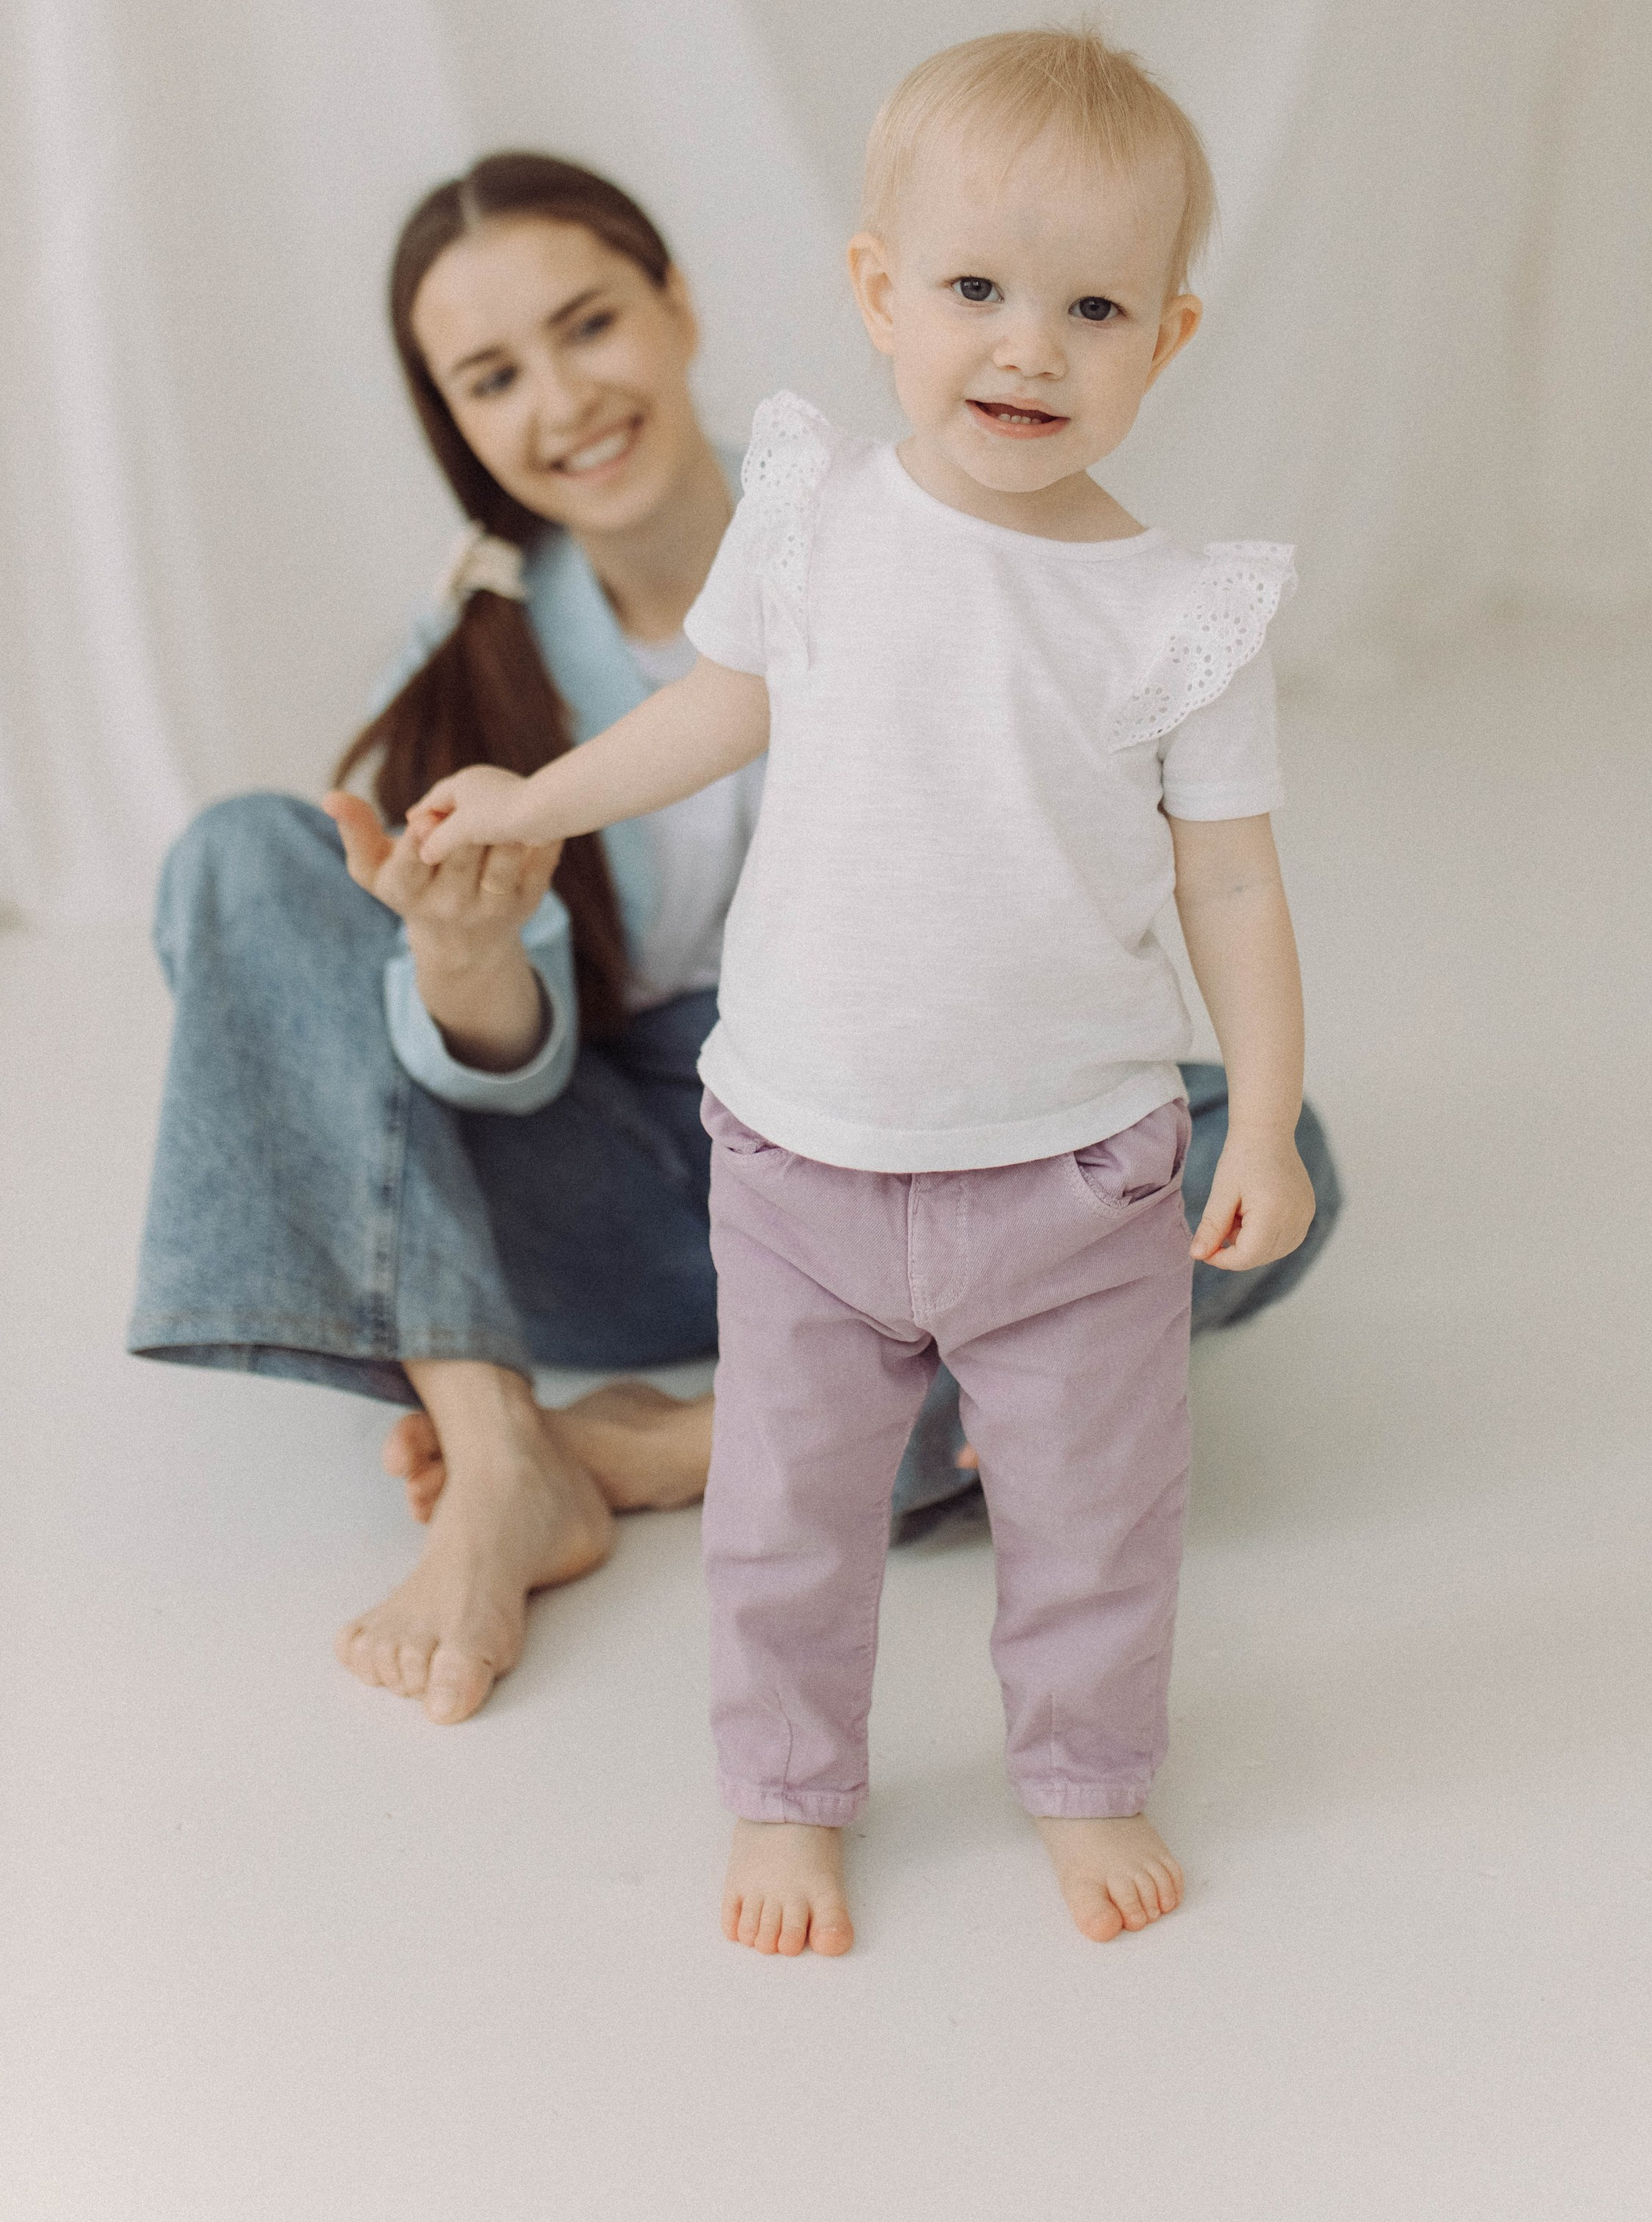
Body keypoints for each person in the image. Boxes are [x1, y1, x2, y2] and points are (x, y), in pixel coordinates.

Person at [129, 149, 1341, 1738]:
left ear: (676, 304)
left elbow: (1166, 866)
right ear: (454, 421)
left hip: (924, 1145)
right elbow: (487, 1081)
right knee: (243, 856)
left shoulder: (869, 516)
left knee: (1244, 1149)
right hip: (643, 1184)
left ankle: (682, 1446)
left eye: (589, 325)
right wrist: (463, 955)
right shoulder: (467, 667)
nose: (563, 398)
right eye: (494, 377)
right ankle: (501, 1461)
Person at [410, 34, 1322, 1957]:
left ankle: (1085, 1777)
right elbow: (714, 708)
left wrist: (1260, 1099)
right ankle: (786, 1791)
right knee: (786, 1521)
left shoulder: (1177, 610)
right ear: (877, 294)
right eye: (976, 292)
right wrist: (538, 796)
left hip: (1074, 1175)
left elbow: (1228, 875)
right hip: (804, 1157)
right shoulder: (819, 514)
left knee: (1094, 1522)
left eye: (1088, 309)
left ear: (1166, 339)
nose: (1024, 349)